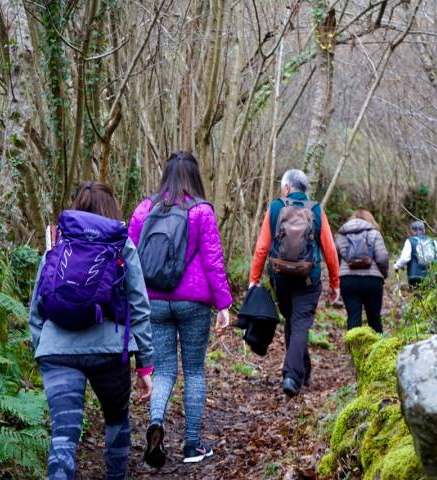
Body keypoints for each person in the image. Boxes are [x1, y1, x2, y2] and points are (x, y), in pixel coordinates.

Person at [29, 181, 154, 480]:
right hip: (108, 351)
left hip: (56, 350)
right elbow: (139, 304)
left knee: (63, 433)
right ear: (111, 208)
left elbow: (38, 304)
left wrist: (41, 347)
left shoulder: (58, 239)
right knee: (116, 422)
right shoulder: (120, 242)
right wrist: (145, 364)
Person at [128, 150, 232, 467]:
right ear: (195, 176)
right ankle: (192, 445)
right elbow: (213, 262)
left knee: (163, 371)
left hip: (153, 301)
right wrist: (224, 304)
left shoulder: (144, 209)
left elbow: (129, 256)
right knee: (195, 371)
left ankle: (156, 421)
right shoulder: (201, 211)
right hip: (193, 303)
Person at [249, 169, 340, 398]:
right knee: (299, 324)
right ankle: (292, 375)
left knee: (293, 321)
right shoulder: (316, 209)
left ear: (288, 187)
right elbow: (330, 250)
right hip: (308, 279)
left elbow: (262, 247)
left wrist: (254, 279)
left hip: (280, 277)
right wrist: (335, 283)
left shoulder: (276, 207)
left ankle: (301, 371)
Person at [334, 210, 389, 333]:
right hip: (373, 280)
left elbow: (334, 259)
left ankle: (354, 350)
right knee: (374, 317)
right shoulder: (374, 233)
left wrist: (339, 275)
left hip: (348, 280)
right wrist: (383, 274)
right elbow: (382, 258)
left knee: (353, 316)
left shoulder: (341, 235)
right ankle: (377, 349)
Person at [394, 220, 437, 287]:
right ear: (424, 230)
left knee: (416, 295)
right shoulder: (433, 241)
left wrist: (397, 266)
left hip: (414, 276)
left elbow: (405, 258)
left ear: (412, 231)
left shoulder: (410, 241)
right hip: (431, 277)